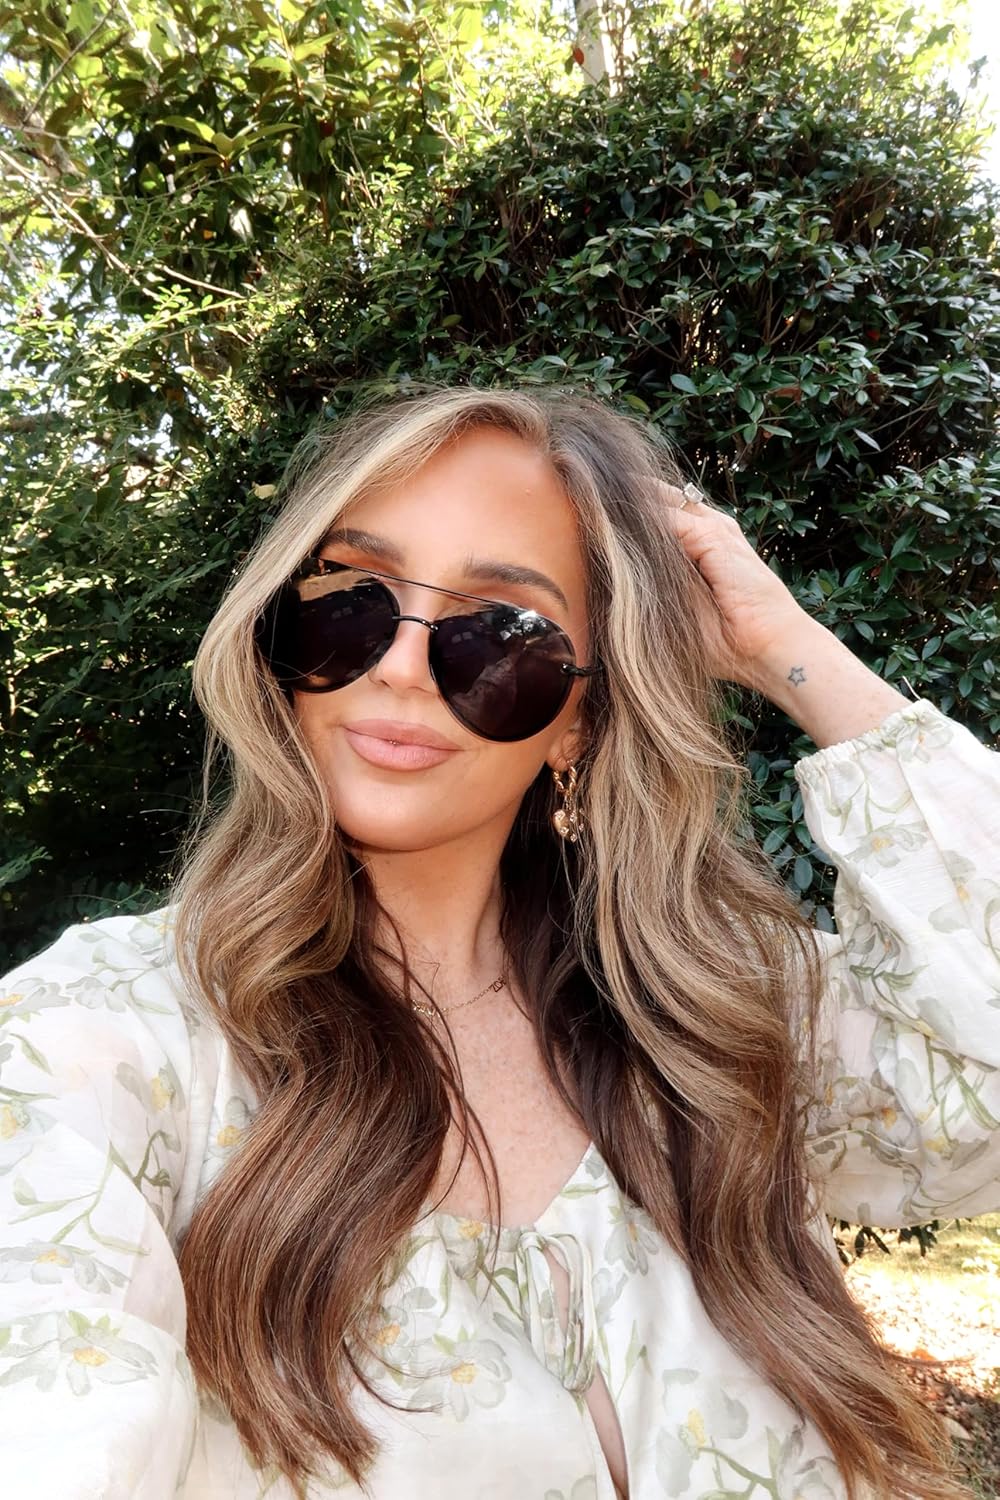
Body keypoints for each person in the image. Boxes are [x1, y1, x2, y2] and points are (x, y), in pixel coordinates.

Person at [1, 384, 997, 1500]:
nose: (398, 667)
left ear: (580, 717)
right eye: (349, 602)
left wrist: (782, 648)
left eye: (499, 635)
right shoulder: (101, 1041)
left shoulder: (711, 1019)